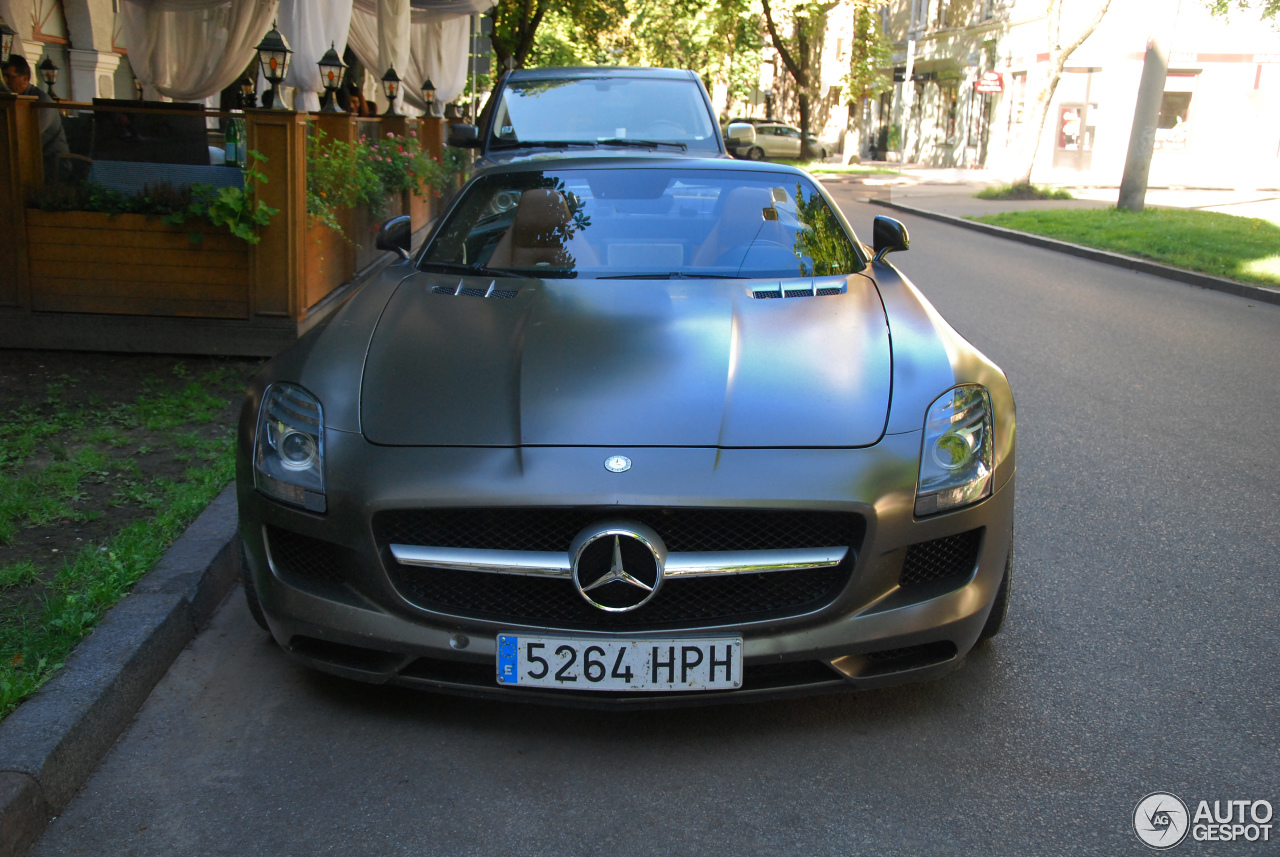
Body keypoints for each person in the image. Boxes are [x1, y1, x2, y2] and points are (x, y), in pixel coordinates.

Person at [3, 55, 69, 182]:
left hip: (51, 165)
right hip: (27, 162)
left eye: (10, 77)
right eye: (3, 77)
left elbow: (26, 137)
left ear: (25, 78)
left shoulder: (42, 102)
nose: (6, 81)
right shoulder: (12, 101)